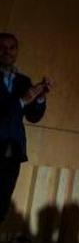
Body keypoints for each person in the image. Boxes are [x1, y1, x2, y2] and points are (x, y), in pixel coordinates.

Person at [0, 33, 50, 224]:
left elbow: (33, 116)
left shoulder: (23, 80)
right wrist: (22, 100)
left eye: (12, 48)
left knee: (2, 206)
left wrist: (40, 96)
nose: (7, 52)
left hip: (12, 153)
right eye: (3, 47)